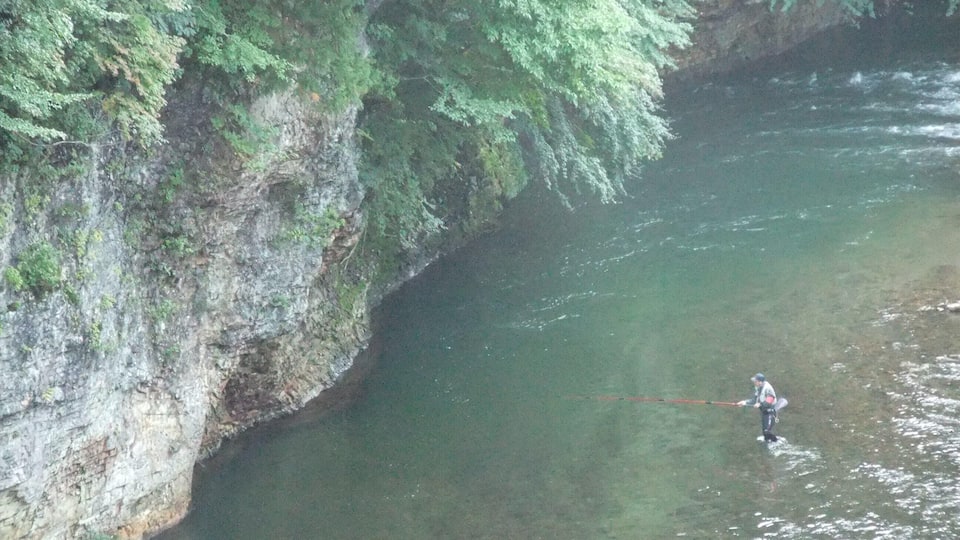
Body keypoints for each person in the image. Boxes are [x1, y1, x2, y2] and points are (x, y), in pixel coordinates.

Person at [737, 373, 778, 442]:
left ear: (760, 382)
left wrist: (760, 404)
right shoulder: (758, 388)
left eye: (755, 381)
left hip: (770, 413)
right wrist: (744, 402)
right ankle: (769, 443)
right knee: (765, 433)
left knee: (766, 431)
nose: (754, 382)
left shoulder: (768, 388)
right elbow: (754, 400)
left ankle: (776, 442)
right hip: (764, 413)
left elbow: (770, 399)